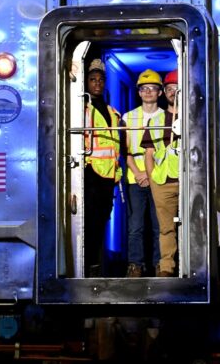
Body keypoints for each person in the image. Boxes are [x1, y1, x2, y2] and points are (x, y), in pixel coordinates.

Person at [121, 69, 166, 278]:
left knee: (160, 226)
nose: (148, 92)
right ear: (139, 93)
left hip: (160, 178)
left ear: (160, 93)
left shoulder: (168, 117)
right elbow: (125, 151)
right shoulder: (128, 118)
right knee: (135, 226)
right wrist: (139, 173)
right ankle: (135, 266)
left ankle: (160, 265)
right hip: (135, 178)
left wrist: (152, 174)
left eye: (153, 88)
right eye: (144, 88)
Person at [83, 58, 122, 278]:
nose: (97, 84)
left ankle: (96, 266)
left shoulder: (112, 112)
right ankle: (87, 266)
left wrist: (117, 173)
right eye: (92, 80)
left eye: (100, 80)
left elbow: (115, 146)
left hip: (108, 178)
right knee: (89, 225)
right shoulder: (83, 107)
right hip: (90, 175)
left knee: (101, 224)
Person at [143, 69, 180, 277]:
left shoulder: (194, 118)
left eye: (177, 88)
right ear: (165, 93)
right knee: (166, 228)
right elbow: (149, 153)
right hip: (162, 182)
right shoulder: (156, 121)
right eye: (169, 89)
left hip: (189, 182)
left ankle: (192, 266)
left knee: (194, 225)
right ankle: (167, 267)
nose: (173, 92)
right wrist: (152, 178)